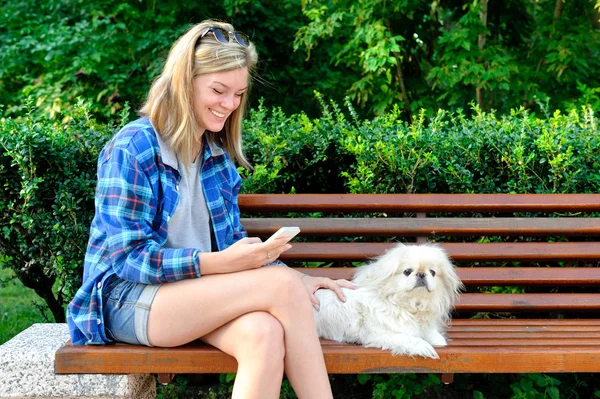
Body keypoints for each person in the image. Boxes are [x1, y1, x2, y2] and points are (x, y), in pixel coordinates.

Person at [67, 20, 356, 399]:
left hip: (195, 295)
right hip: (127, 299)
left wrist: (299, 280)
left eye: (238, 94)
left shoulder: (216, 157)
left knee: (264, 333)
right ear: (184, 81)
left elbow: (233, 243)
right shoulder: (133, 148)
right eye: (218, 90)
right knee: (282, 287)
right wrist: (220, 264)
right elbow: (128, 259)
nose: (229, 105)